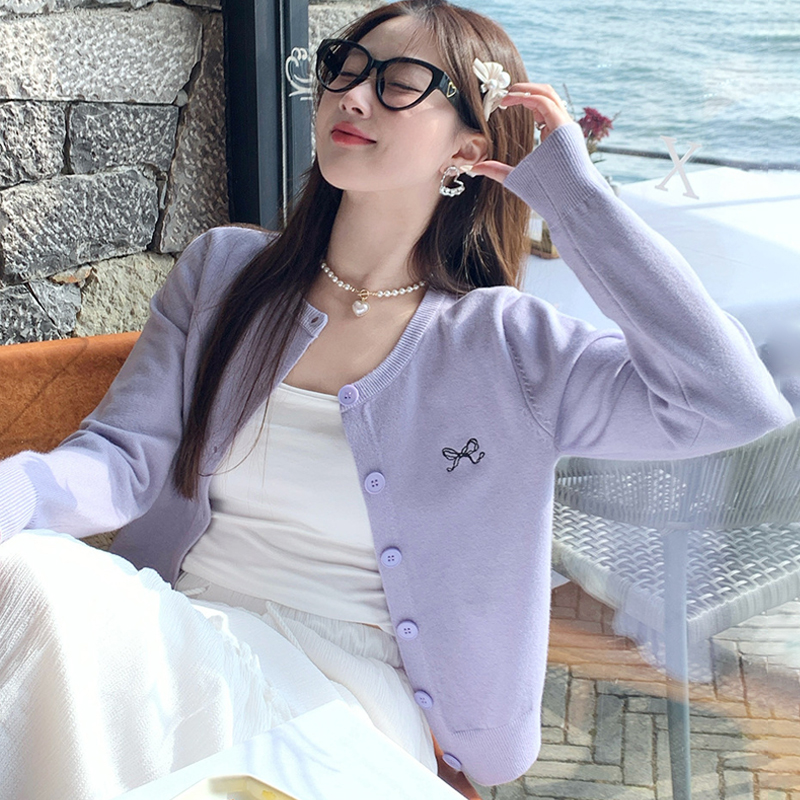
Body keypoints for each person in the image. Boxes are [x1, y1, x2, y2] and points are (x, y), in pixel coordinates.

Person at [0, 0, 794, 796]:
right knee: (26, 573)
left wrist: (574, 198)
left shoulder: (507, 346)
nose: (353, 96)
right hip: (172, 639)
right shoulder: (222, 272)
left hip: (342, 696)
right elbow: (122, 458)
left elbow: (728, 400)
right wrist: (15, 495)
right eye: (345, 69)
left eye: (400, 82)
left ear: (468, 149)